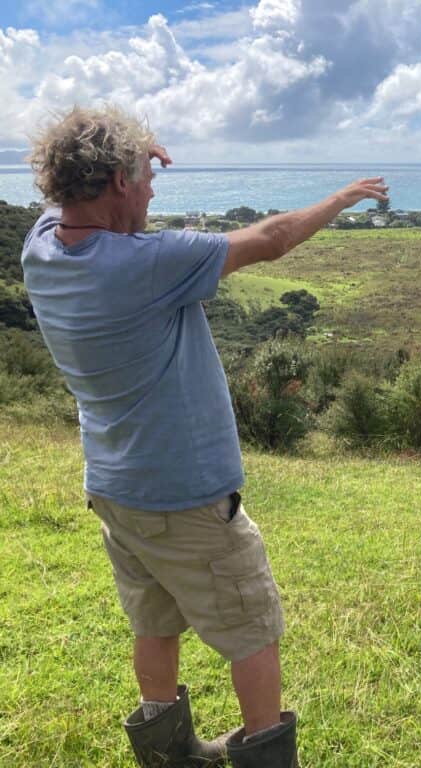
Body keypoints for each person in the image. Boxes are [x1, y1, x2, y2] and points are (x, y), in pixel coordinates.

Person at [21, 105, 388, 768]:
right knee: (253, 628)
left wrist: (131, 152)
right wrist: (342, 197)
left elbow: (72, 199)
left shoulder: (42, 246)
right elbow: (272, 239)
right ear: (113, 182)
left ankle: (169, 755)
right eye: (144, 176)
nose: (155, 187)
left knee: (153, 620)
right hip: (184, 495)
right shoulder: (146, 265)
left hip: (115, 489)